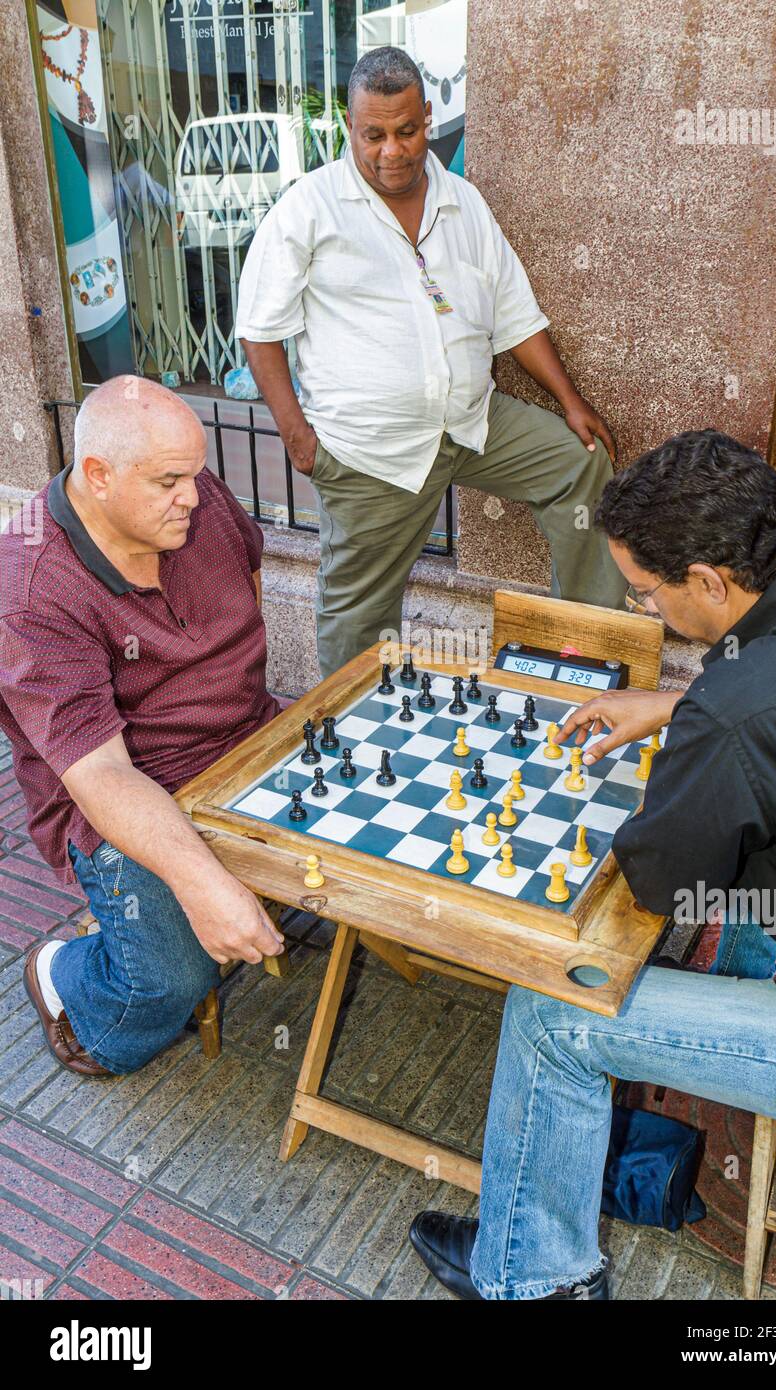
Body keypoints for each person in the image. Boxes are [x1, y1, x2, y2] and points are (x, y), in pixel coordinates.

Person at [408, 429, 776, 1299]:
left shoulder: (735, 713)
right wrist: (679, 704)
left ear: (709, 582)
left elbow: (656, 884)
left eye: (648, 593)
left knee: (551, 1014)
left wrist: (700, 741)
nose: (643, 606)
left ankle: (533, 1276)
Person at [236, 46, 625, 678]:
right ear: (349, 128)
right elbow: (260, 331)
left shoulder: (462, 201)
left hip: (472, 422)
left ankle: (581, 661)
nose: (391, 150)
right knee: (360, 613)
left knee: (579, 465)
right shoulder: (309, 209)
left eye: (406, 131)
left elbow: (515, 317)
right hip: (370, 449)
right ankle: (349, 736)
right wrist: (297, 436)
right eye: (374, 135)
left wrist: (571, 401)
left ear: (429, 118)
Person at [0, 378, 285, 1077]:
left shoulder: (195, 494)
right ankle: (65, 974)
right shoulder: (31, 584)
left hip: (249, 732)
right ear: (98, 476)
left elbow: (245, 588)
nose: (194, 495)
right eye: (168, 481)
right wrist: (207, 883)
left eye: (194, 472)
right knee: (174, 979)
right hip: (122, 788)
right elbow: (99, 773)